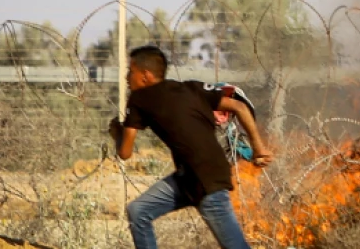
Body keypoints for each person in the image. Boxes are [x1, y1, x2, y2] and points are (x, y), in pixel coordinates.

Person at [108, 45, 273, 249]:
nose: (127, 77)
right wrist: (258, 147)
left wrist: (117, 134)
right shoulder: (192, 88)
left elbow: (125, 152)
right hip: (192, 176)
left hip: (204, 181)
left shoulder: (139, 98)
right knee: (138, 210)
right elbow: (239, 106)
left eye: (130, 71)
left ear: (145, 75)